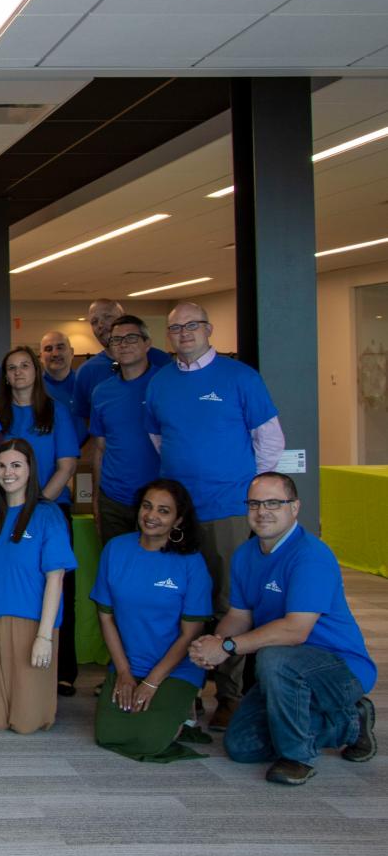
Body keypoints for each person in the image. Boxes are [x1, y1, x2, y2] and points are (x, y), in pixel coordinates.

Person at [144, 301, 283, 729]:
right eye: (175, 328)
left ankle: (229, 694)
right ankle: (184, 692)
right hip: (178, 514)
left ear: (208, 330)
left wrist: (244, 491)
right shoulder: (160, 383)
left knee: (229, 603)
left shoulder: (240, 377)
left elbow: (271, 442)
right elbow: (159, 440)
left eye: (192, 326)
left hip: (227, 510)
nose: (184, 333)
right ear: (168, 336)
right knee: (179, 602)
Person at [189, 473, 378, 786]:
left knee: (274, 656)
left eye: (274, 502)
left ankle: (296, 757)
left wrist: (226, 648)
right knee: (241, 746)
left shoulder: (311, 555)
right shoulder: (245, 555)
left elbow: (295, 632)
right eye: (254, 503)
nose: (262, 511)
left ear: (295, 507)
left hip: (341, 671)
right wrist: (214, 643)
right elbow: (239, 615)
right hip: (285, 677)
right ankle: (350, 723)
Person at [90, 478, 213, 763]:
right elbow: (105, 618)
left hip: (175, 669)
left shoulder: (191, 562)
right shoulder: (116, 549)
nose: (151, 516)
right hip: (129, 664)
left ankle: (183, 711)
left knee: (149, 740)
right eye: (147, 506)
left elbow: (190, 633)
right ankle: (175, 715)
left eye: (163, 511)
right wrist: (123, 672)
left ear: (178, 520)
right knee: (108, 734)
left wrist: (152, 682)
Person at [0, 440, 77, 734]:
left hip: (30, 622)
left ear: (30, 470)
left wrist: (45, 636)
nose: (8, 473)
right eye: (1, 466)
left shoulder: (48, 515)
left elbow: (56, 579)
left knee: (27, 722)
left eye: (16, 465)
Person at [0, 345, 80, 694]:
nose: (18, 373)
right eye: (11, 367)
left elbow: (67, 464)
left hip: (48, 509)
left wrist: (39, 502)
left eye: (25, 366)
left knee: (59, 588)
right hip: (5, 511)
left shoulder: (55, 411)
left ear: (36, 371)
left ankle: (63, 668)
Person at [88, 315, 163, 545]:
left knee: (157, 569)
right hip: (114, 499)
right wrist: (97, 498)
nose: (123, 344)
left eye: (131, 338)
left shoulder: (165, 383)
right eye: (116, 340)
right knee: (118, 568)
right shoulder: (102, 392)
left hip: (158, 499)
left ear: (147, 343)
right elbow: (100, 449)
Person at [73, 298, 170, 425]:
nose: (101, 325)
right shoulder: (87, 372)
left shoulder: (162, 362)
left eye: (107, 317)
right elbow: (86, 421)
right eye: (94, 322)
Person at [39, 330, 77, 414]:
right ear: (41, 357)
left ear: (71, 352)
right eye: (48, 349)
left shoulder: (85, 383)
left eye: (60, 348)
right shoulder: (34, 388)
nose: (55, 354)